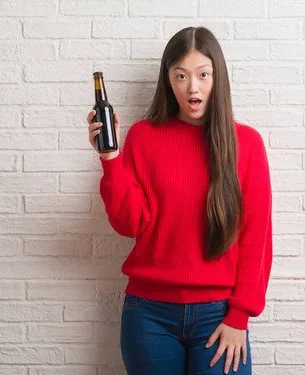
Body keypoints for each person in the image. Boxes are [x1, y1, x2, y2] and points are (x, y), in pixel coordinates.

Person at [87, 26, 273, 375]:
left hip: (220, 316)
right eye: (181, 75)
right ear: (168, 80)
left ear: (217, 77)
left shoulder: (246, 144)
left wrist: (239, 316)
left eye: (203, 74)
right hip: (149, 315)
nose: (193, 87)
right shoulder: (143, 136)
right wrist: (110, 159)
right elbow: (129, 223)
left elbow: (256, 239)